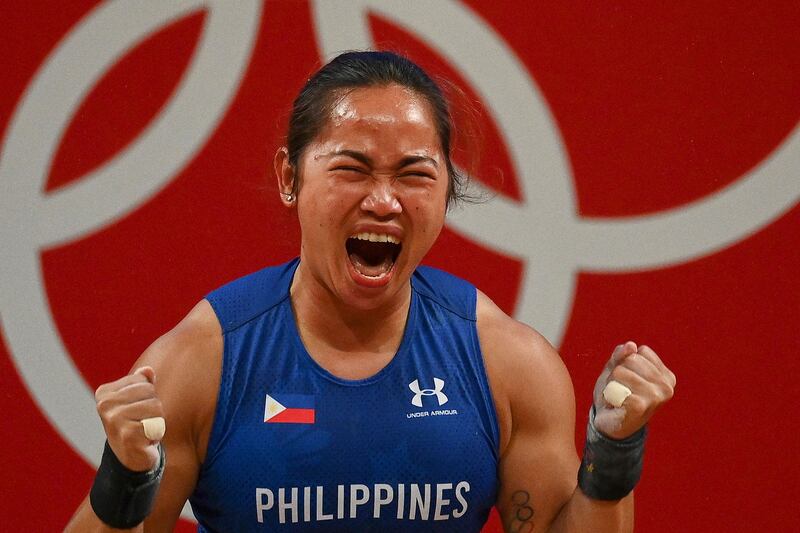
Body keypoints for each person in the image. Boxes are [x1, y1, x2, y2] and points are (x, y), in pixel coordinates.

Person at [66, 50, 675, 532]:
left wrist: (612, 453)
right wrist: (123, 480)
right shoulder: (199, 363)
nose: (383, 201)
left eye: (414, 175)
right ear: (290, 178)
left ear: (445, 194)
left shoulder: (509, 363)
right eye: (352, 169)